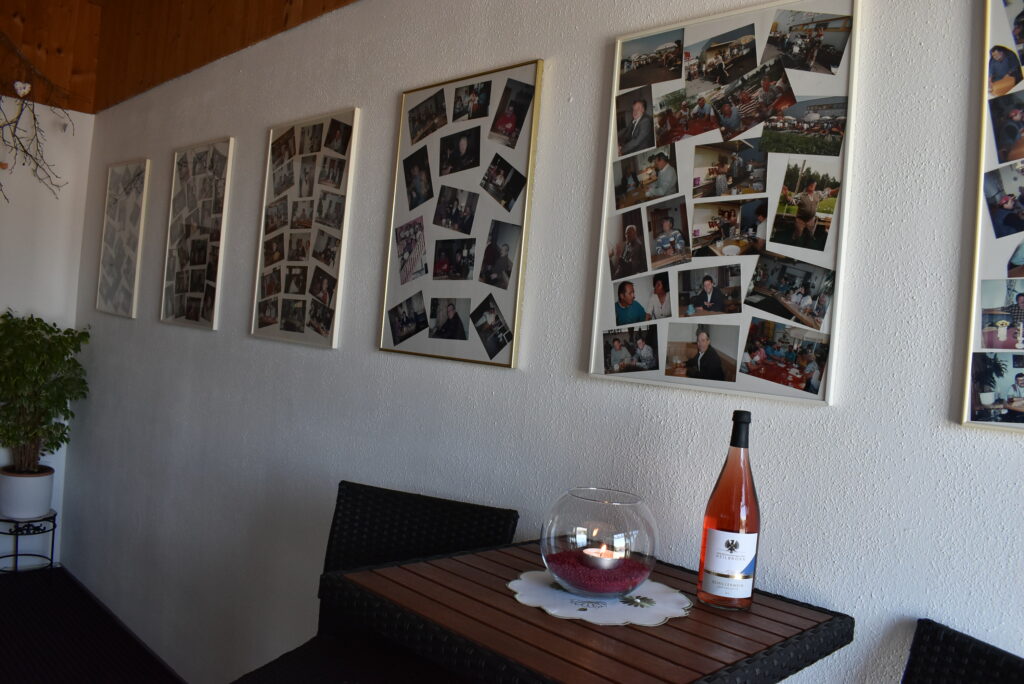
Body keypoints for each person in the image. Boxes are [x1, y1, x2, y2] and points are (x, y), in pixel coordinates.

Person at [780, 180, 838, 244]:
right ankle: (793, 244)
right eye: (811, 184)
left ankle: (807, 244)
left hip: (811, 220)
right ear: (807, 185)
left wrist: (838, 189)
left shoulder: (817, 194)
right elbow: (791, 202)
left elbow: (829, 193)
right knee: (797, 235)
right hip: (800, 220)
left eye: (814, 185)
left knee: (809, 235)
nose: (813, 186)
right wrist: (786, 195)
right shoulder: (800, 195)